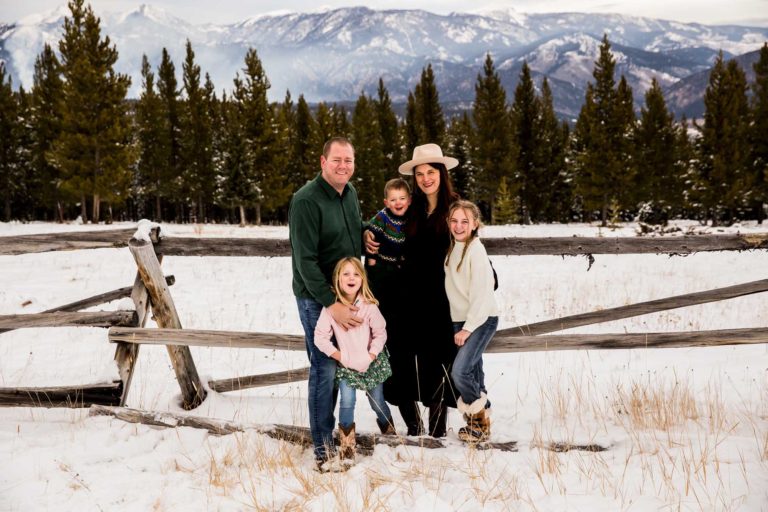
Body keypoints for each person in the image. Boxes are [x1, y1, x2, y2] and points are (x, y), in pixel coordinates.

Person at [366, 143, 460, 438]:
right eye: (420, 173)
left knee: (438, 363)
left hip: (439, 299)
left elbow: (470, 244)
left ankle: (437, 432)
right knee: (400, 361)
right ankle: (414, 427)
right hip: (404, 296)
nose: (425, 178)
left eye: (431, 171)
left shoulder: (454, 209)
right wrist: (365, 233)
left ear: (441, 174)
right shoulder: (412, 208)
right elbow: (384, 223)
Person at [289, 137, 363, 468]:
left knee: (337, 367)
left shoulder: (350, 194)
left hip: (346, 297)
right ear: (323, 161)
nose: (343, 166)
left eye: (348, 160)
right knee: (324, 368)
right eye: (337, 160)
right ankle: (323, 449)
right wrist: (332, 303)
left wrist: (367, 233)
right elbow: (305, 262)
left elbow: (346, 235)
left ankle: (332, 436)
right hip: (317, 298)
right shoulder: (306, 201)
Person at [314, 257, 396, 460]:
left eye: (356, 274)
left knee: (377, 401)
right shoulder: (331, 309)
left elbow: (381, 333)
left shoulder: (369, 307)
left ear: (362, 279)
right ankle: (347, 445)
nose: (351, 278)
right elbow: (320, 337)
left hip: (371, 363)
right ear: (338, 279)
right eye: (346, 274)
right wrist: (340, 356)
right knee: (347, 401)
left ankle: (389, 431)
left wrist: (371, 354)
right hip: (346, 365)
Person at [444, 200, 499, 443]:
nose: (458, 226)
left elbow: (482, 292)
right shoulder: (453, 246)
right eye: (454, 220)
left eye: (465, 221)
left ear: (475, 224)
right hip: (461, 319)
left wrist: (467, 328)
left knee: (461, 372)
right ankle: (479, 426)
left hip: (480, 318)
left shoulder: (476, 250)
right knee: (475, 373)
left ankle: (480, 415)